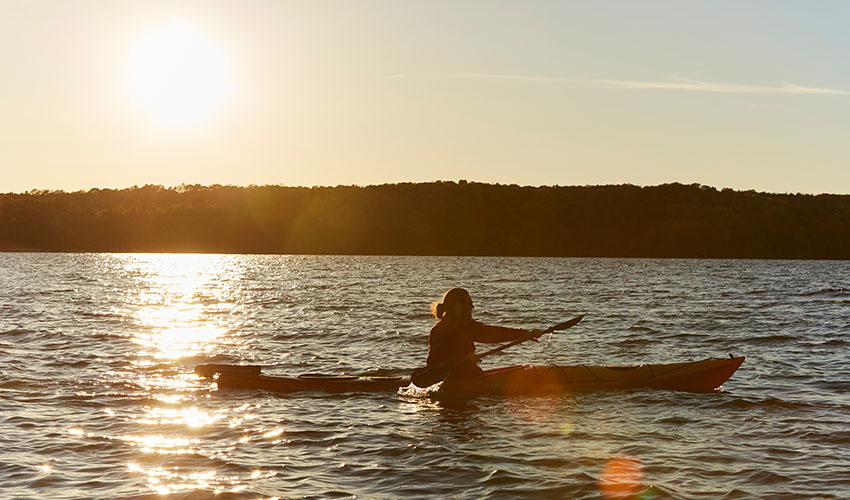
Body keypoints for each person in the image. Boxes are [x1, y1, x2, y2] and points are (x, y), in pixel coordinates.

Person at [426, 287, 543, 380]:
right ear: (457, 306)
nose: (473, 307)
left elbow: (492, 333)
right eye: (469, 303)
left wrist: (524, 334)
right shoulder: (441, 330)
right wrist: (460, 361)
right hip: (456, 380)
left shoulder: (466, 326)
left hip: (471, 376)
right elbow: (434, 363)